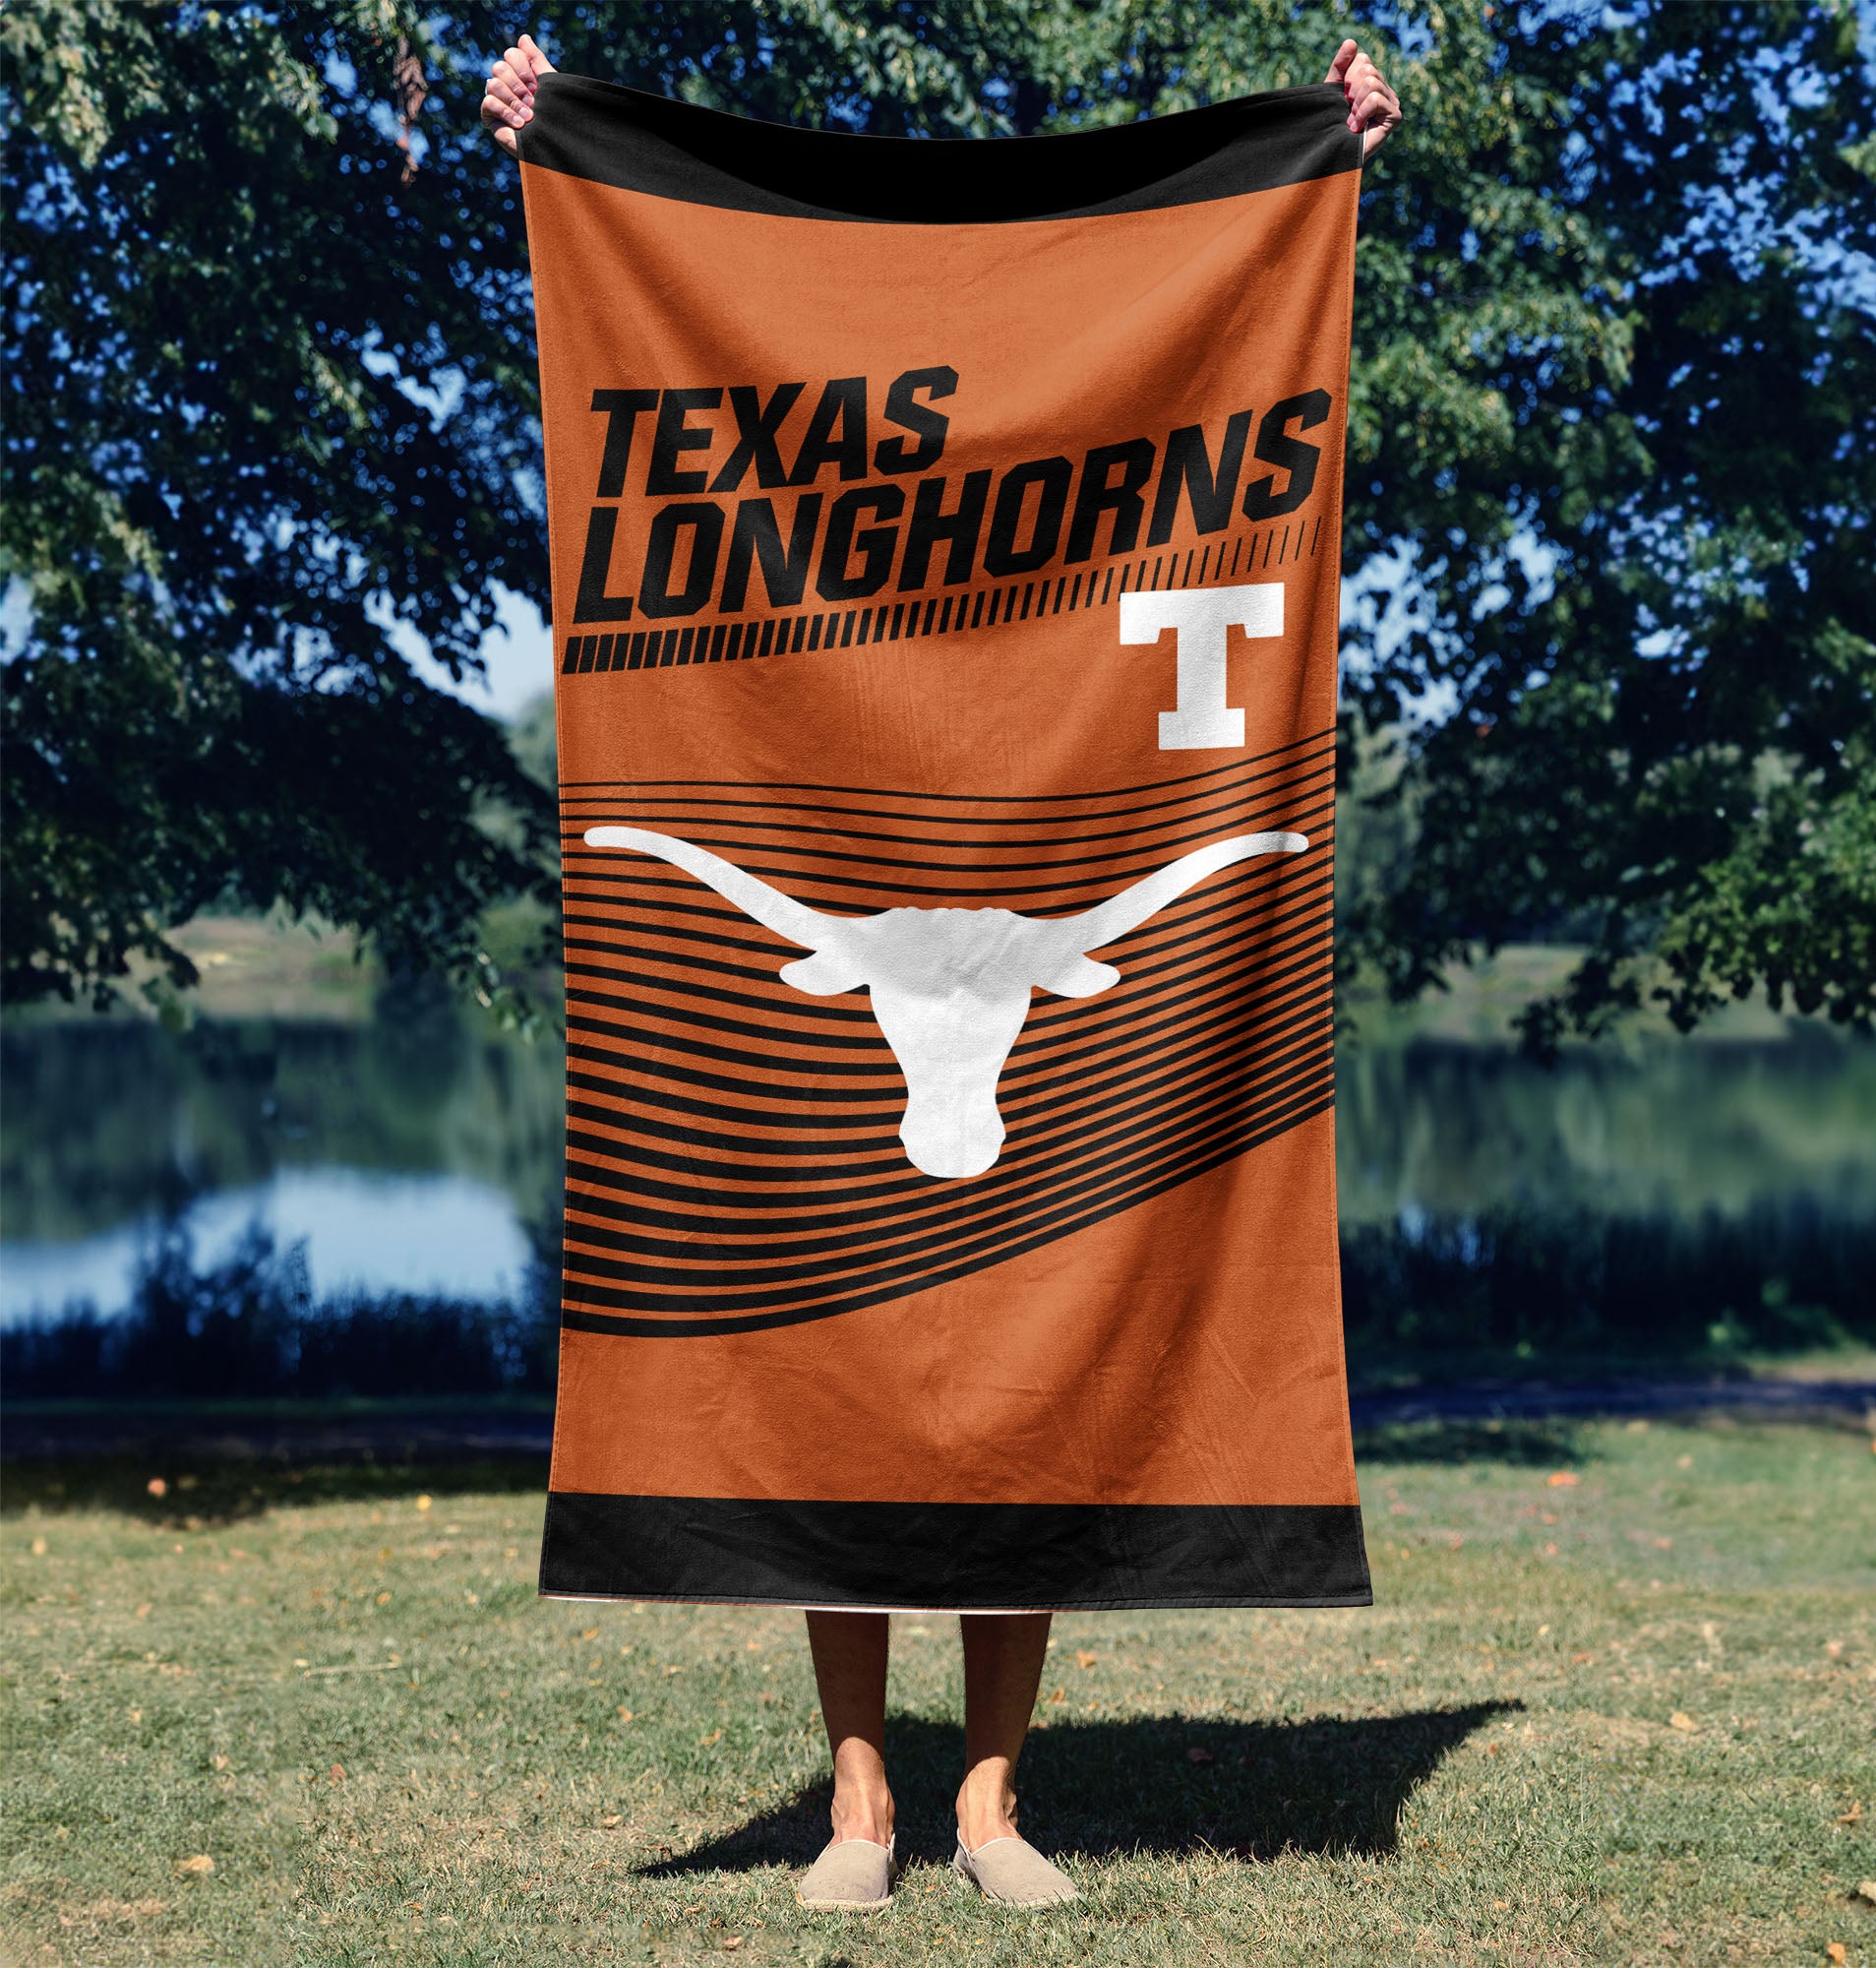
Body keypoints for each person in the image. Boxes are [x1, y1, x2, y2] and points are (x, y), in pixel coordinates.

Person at [480, 27, 1401, 1915]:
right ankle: (860, 1808)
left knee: (1038, 1408)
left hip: (1038, 1031)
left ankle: (987, 1806)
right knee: (833, 1397)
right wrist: (558, 143)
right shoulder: (772, 338)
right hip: (877, 1001)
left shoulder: (1035, 946)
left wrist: (1322, 159)